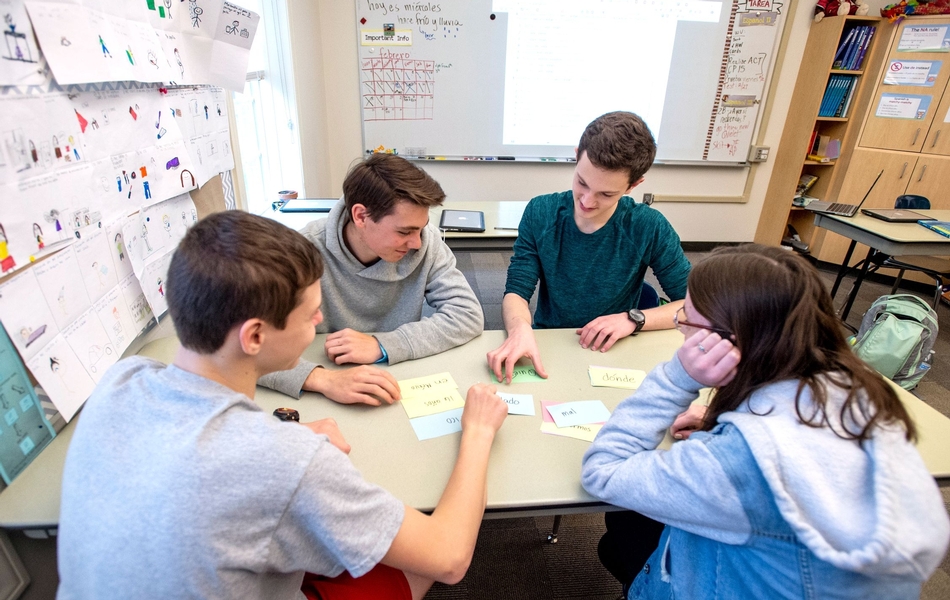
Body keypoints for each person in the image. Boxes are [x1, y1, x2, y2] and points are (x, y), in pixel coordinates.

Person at [57, 211, 509, 600]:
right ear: (255, 336)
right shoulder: (290, 464)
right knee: (414, 565)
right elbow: (449, 557)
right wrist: (479, 432)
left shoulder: (122, 378)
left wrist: (287, 439)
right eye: (311, 314)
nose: (319, 322)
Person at [581, 244, 949, 599]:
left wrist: (679, 377)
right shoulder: (857, 392)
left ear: (727, 341)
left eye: (685, 318)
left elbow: (603, 471)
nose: (680, 327)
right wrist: (722, 416)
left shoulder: (732, 464)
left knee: (622, 528)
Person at [261, 153, 484, 406]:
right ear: (361, 216)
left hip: (396, 375)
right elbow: (241, 347)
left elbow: (467, 314)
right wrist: (323, 380)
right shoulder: (301, 251)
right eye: (404, 232)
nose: (417, 242)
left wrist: (384, 344)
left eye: (421, 228)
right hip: (324, 376)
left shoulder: (426, 241)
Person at [487, 111, 691, 383]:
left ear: (633, 185)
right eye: (582, 182)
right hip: (550, 340)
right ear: (576, 156)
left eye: (606, 194)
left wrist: (635, 319)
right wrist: (519, 329)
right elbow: (517, 290)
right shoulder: (541, 213)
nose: (587, 201)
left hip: (616, 348)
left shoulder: (647, 226)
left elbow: (696, 306)